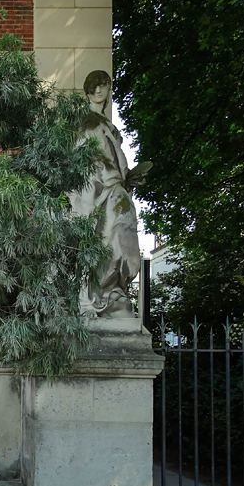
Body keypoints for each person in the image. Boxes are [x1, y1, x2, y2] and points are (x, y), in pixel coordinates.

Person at [70, 70, 146, 317]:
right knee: (108, 237)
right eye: (95, 87)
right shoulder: (86, 122)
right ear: (88, 91)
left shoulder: (107, 124)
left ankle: (113, 290)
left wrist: (129, 178)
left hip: (116, 188)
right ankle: (98, 294)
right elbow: (84, 160)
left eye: (104, 86)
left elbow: (115, 160)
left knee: (122, 234)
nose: (99, 91)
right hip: (98, 190)